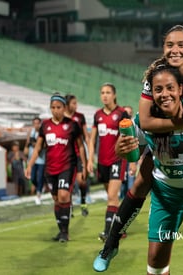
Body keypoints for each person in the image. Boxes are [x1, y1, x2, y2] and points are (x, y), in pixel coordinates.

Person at [95, 24, 183, 273]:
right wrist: (124, 147)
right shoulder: (148, 117)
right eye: (158, 90)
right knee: (155, 262)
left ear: (182, 90)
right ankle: (111, 244)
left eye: (170, 89)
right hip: (167, 196)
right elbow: (132, 146)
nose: (164, 95)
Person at [25, 93, 87, 242]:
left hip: (67, 166)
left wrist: (84, 164)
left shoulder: (72, 125)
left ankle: (65, 233)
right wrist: (29, 165)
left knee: (64, 196)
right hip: (50, 168)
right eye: (53, 107)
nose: (55, 110)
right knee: (56, 200)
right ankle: (61, 231)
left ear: (64, 108)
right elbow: (38, 147)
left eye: (58, 107)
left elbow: (80, 146)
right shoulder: (45, 126)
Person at [87, 83, 130, 241]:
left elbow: (129, 137)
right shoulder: (97, 115)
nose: (105, 95)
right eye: (102, 92)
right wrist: (90, 159)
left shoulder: (122, 113)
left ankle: (108, 233)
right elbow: (92, 140)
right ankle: (121, 227)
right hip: (102, 162)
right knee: (112, 198)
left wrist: (132, 161)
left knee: (112, 196)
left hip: (117, 160)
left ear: (114, 95)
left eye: (108, 92)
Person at [65, 94, 91, 216]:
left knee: (81, 181)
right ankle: (69, 207)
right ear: (67, 104)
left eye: (76, 103)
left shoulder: (80, 117)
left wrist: (90, 154)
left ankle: (83, 202)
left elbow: (86, 135)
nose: (76, 106)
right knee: (68, 182)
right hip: (66, 156)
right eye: (73, 103)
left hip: (79, 153)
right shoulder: (62, 118)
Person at [23, 117, 46, 205]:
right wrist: (26, 148)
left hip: (41, 159)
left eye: (38, 123)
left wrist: (36, 144)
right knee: (32, 178)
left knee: (39, 177)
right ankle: (40, 188)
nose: (36, 125)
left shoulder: (43, 132)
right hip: (32, 159)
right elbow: (28, 143)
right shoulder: (31, 132)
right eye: (35, 123)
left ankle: (38, 195)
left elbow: (44, 145)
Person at [120, 105, 138, 200]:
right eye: (126, 112)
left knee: (131, 181)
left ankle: (130, 201)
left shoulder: (134, 126)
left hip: (131, 157)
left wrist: (133, 161)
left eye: (130, 113)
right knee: (122, 182)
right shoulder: (119, 127)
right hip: (120, 159)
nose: (128, 115)